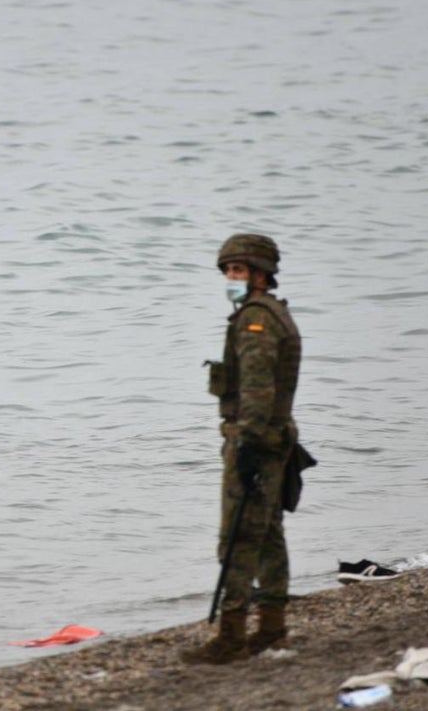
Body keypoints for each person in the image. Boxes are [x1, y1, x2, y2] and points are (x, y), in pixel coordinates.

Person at [182, 234, 302, 664]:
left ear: (259, 274)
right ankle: (271, 628)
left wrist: (248, 444)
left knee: (236, 538)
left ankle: (232, 636)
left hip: (255, 440)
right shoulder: (273, 313)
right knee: (267, 533)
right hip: (274, 438)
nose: (230, 277)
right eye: (227, 270)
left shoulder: (256, 319)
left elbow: (256, 387)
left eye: (237, 270)